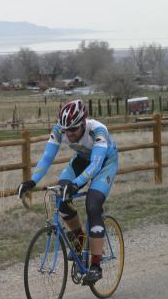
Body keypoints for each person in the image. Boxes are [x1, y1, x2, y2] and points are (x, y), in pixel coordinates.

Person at [17, 99, 118, 284]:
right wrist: (31, 181)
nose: (68, 134)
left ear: (83, 123)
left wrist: (77, 183)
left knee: (93, 205)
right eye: (65, 130)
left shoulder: (98, 131)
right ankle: (79, 238)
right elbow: (47, 158)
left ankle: (96, 265)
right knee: (60, 195)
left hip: (104, 164)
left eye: (73, 129)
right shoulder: (60, 129)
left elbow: (96, 165)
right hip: (81, 160)